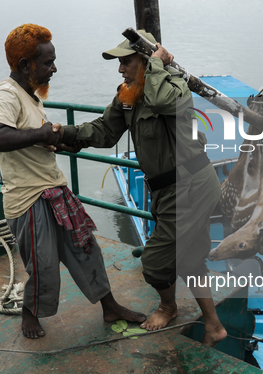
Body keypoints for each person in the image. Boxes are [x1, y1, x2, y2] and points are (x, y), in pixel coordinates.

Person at [53, 30, 227, 347]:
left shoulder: (175, 88)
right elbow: (105, 131)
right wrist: (64, 133)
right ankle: (214, 326)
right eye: (119, 63)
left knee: (155, 263)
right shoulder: (129, 95)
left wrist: (158, 63)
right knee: (188, 260)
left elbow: (161, 101)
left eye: (127, 61)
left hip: (191, 186)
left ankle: (168, 306)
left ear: (146, 60)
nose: (121, 69)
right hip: (167, 190)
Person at [0, 24, 146, 339]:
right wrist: (41, 133)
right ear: (25, 65)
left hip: (54, 189)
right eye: (47, 63)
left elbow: (24, 138)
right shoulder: (7, 94)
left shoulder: (30, 95)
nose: (54, 68)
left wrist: (53, 140)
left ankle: (109, 305)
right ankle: (30, 313)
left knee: (86, 249)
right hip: (28, 198)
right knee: (43, 266)